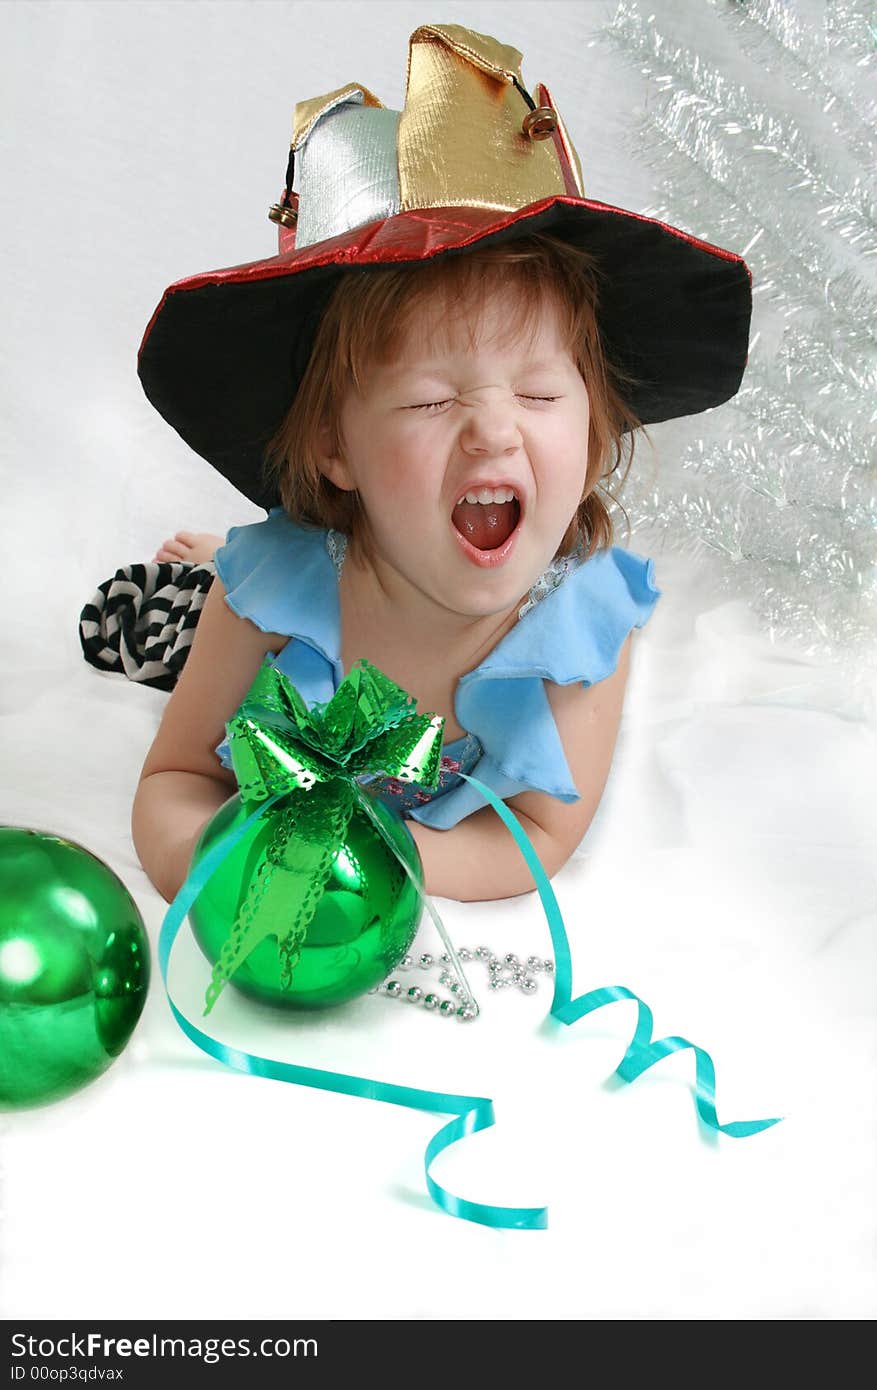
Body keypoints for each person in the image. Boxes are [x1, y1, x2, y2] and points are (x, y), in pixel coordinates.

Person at [99, 23, 752, 905]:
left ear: (596, 432)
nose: (493, 434)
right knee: (158, 629)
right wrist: (220, 866)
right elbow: (174, 780)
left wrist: (372, 872)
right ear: (337, 450)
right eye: (431, 402)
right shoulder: (272, 598)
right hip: (288, 593)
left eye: (540, 395)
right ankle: (201, 566)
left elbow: (536, 836)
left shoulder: (579, 636)